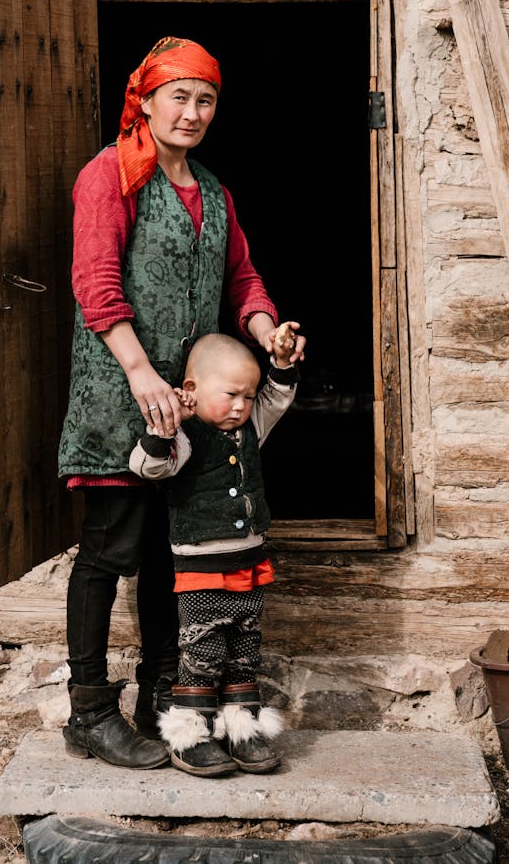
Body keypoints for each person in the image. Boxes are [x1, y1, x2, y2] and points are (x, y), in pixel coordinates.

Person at [57, 35, 306, 770]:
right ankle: (90, 711)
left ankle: (170, 699)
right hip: (120, 394)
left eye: (206, 99)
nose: (193, 112)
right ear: (146, 99)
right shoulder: (109, 177)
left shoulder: (214, 190)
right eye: (180, 96)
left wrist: (270, 334)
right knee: (109, 551)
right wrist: (139, 375)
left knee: (178, 559)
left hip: (188, 407)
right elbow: (95, 287)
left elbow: (243, 281)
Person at [128, 325, 300, 778]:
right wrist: (163, 428)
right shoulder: (185, 438)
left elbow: (276, 399)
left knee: (244, 647)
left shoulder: (248, 430)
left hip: (249, 562)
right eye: (231, 395)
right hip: (201, 569)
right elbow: (147, 466)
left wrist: (281, 364)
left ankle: (241, 728)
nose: (242, 406)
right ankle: (191, 735)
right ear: (191, 390)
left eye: (248, 395)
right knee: (202, 651)